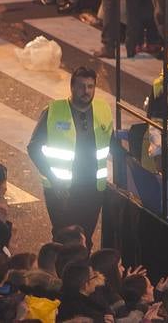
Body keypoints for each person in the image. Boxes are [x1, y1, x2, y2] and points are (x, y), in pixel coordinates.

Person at [26, 66, 113, 242]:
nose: (86, 91)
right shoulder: (53, 111)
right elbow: (34, 148)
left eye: (90, 86)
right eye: (81, 86)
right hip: (62, 190)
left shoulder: (103, 109)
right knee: (64, 239)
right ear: (72, 87)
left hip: (93, 188)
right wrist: (53, 179)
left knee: (85, 239)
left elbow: (112, 143)